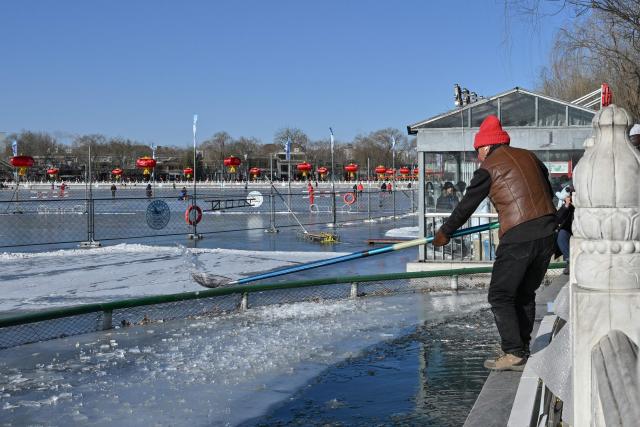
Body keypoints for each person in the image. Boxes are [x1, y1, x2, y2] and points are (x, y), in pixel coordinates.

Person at [432, 115, 556, 371]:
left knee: (500, 295)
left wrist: (444, 232)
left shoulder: (489, 167)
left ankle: (513, 352)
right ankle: (521, 348)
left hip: (519, 236)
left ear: (487, 146)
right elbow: (548, 189)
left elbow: (466, 205)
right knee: (524, 293)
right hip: (546, 232)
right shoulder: (530, 156)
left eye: (478, 150)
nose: (478, 156)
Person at [555, 188, 574, 275]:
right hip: (570, 229)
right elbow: (558, 219)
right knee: (561, 235)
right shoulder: (569, 206)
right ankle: (569, 261)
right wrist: (566, 205)